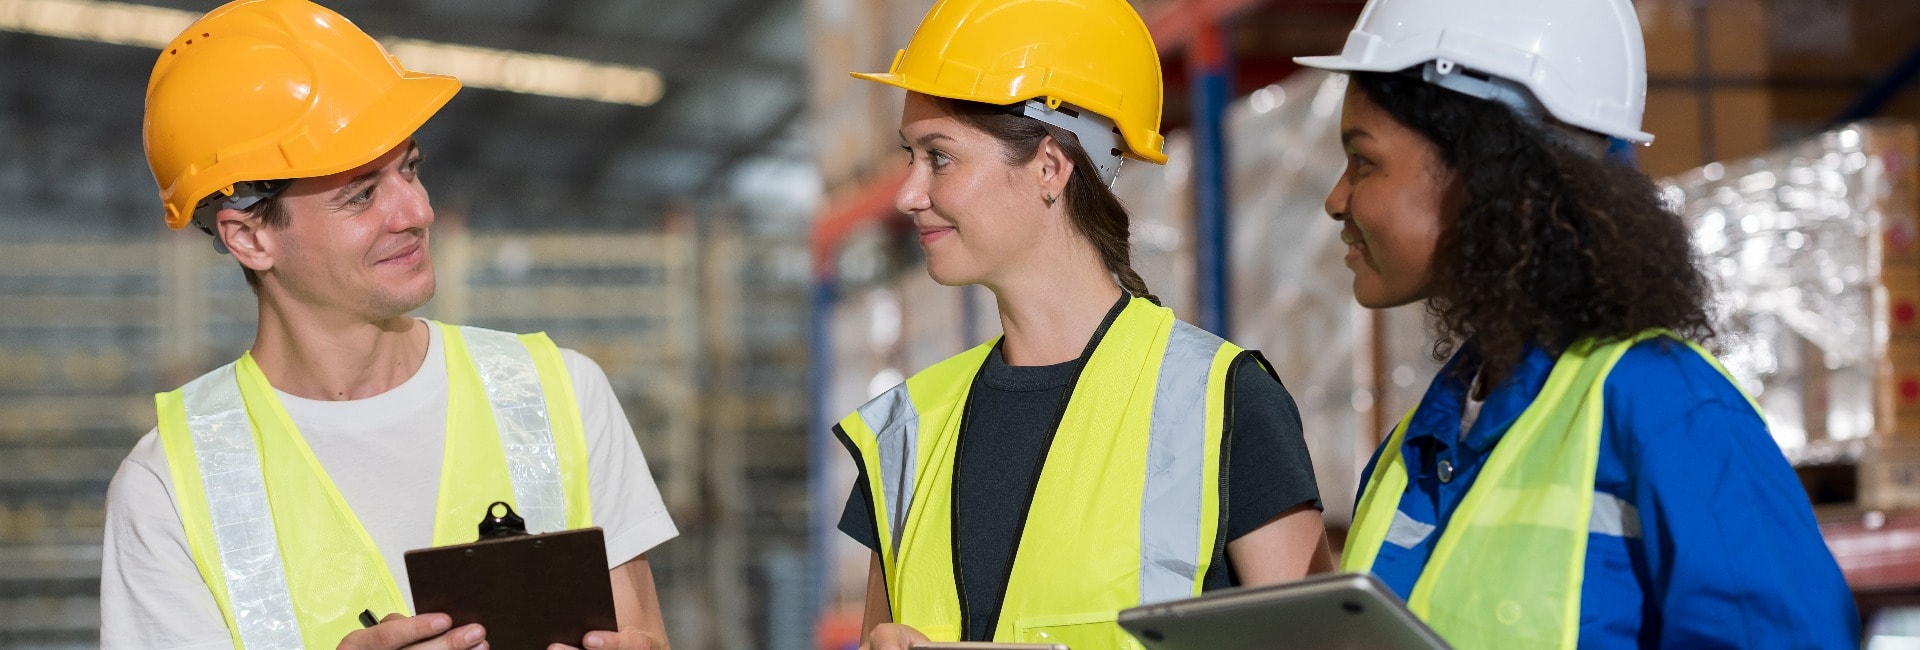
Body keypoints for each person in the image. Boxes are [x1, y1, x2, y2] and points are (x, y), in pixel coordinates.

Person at [99, 1, 675, 648]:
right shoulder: (169, 488)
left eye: (410, 169)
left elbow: (643, 634)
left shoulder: (558, 396)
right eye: (362, 193)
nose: (418, 210)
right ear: (250, 237)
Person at [1295, 0, 1860, 647]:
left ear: (1485, 172)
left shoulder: (1668, 412)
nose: (1337, 198)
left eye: (1363, 161)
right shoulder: (1409, 456)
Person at [836, 1, 1332, 648]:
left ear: (1049, 166)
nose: (908, 193)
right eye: (911, 156)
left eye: (940, 157)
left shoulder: (1222, 402)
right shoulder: (906, 432)